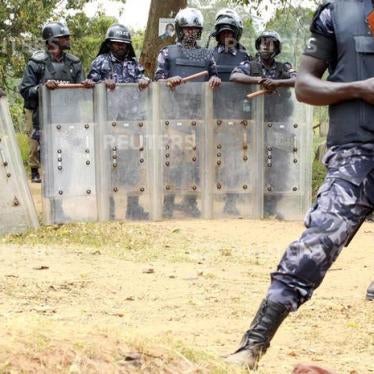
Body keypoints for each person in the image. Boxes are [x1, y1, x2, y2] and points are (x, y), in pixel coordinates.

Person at [225, 1, 374, 368]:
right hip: (356, 153)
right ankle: (252, 345)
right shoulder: (337, 13)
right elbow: (305, 87)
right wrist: (358, 88)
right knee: (315, 244)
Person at [155, 7, 221, 218]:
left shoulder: (207, 54)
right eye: (187, 29)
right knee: (173, 161)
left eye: (195, 29)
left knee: (196, 162)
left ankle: (192, 202)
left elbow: (215, 76)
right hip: (174, 118)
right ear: (179, 30)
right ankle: (168, 202)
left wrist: (215, 79)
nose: (191, 33)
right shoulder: (167, 52)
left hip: (200, 118)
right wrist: (168, 81)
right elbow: (157, 79)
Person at [230, 31, 297, 218]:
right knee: (256, 162)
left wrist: (277, 83)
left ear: (276, 47)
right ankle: (257, 204)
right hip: (256, 124)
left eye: (270, 43)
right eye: (263, 43)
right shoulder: (249, 65)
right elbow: (235, 76)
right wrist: (258, 80)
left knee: (281, 165)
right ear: (258, 46)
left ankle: (273, 206)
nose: (266, 46)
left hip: (281, 123)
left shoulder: (284, 67)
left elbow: (298, 79)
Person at [88, 24, 151, 220]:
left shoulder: (134, 63)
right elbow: (88, 85)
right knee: (107, 164)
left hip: (130, 124)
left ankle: (134, 207)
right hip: (107, 122)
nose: (119, 46)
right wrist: (100, 84)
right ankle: (110, 208)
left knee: (131, 165)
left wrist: (144, 81)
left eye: (123, 43)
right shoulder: (100, 62)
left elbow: (144, 79)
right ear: (109, 44)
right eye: (115, 43)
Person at [19, 22, 93, 183]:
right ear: (52, 40)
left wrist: (86, 87)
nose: (68, 39)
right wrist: (42, 88)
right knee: (46, 156)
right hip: (43, 117)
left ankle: (63, 195)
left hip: (68, 118)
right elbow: (25, 90)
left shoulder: (74, 63)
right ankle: (49, 196)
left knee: (67, 159)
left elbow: (82, 94)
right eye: (64, 37)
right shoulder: (36, 63)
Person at [209, 8, 251, 216]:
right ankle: (199, 199)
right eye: (223, 33)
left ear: (236, 34)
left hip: (235, 116)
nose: (227, 37)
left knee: (233, 158)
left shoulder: (245, 56)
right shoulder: (209, 55)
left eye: (230, 33)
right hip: (211, 115)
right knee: (207, 156)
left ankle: (231, 199)